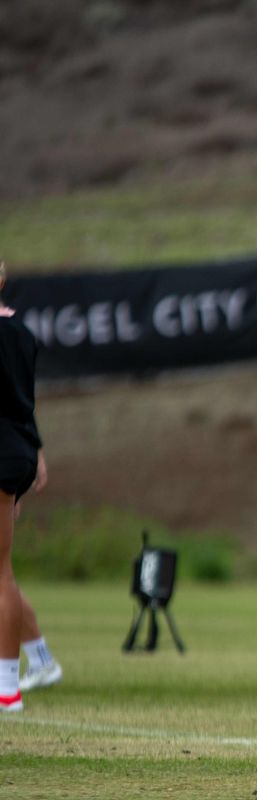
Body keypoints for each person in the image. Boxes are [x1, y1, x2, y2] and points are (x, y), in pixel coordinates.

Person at [1, 261, 58, 712]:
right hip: (17, 451)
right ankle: (37, 660)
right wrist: (35, 451)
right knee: (1, 570)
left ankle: (7, 687)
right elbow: (23, 401)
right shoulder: (21, 333)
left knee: (0, 573)